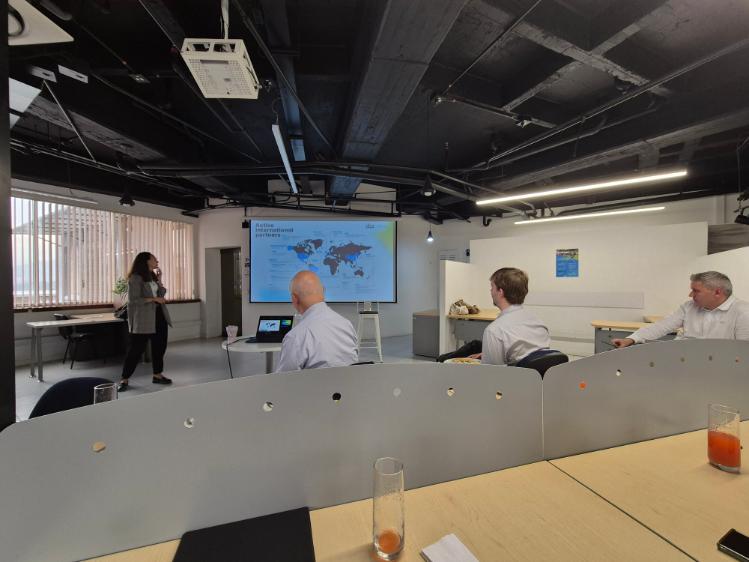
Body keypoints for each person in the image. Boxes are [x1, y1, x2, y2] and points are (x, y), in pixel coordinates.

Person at [612, 271, 749, 348]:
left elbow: (743, 352)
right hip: (683, 361)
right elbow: (660, 326)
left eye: (696, 291)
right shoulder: (689, 306)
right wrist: (631, 339)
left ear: (717, 292)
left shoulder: (743, 312)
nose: (690, 295)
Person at [275, 270, 358, 372]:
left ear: (294, 299)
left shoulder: (295, 337)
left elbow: (283, 379)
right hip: (350, 382)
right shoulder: (347, 325)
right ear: (323, 291)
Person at [118, 252, 173, 391]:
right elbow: (134, 300)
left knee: (159, 347)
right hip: (144, 318)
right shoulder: (135, 278)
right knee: (136, 349)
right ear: (146, 261)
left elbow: (161, 294)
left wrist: (159, 280)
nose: (157, 261)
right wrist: (153, 299)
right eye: (154, 259)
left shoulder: (152, 276)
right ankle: (124, 379)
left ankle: (157, 375)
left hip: (159, 315)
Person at [477, 267, 553, 366]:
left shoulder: (494, 331)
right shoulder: (539, 324)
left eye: (492, 287)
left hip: (510, 376)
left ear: (500, 292)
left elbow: (491, 372)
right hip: (537, 376)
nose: (491, 291)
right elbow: (529, 355)